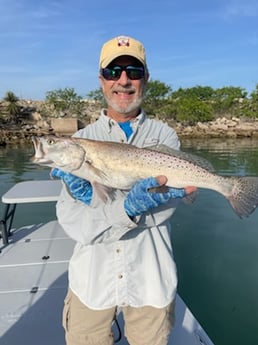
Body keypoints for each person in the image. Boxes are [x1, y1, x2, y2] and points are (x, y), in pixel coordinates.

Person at [51, 35, 195, 345]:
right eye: (114, 72)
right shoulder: (78, 141)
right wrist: (124, 207)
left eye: (134, 71)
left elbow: (163, 209)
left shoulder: (164, 136)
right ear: (101, 80)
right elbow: (72, 221)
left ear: (146, 80)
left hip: (150, 280)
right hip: (92, 280)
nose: (124, 81)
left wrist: (112, 207)